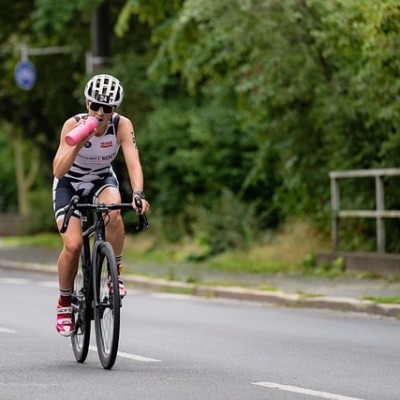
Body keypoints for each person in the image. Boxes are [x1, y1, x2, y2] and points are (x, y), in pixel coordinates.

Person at [52, 74, 149, 337]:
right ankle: (63, 303)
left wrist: (138, 193)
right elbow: (59, 170)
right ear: (87, 103)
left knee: (114, 212)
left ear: (114, 109)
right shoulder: (72, 125)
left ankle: (114, 272)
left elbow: (133, 162)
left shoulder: (121, 125)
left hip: (101, 179)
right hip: (69, 183)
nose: (100, 112)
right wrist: (79, 141)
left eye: (107, 108)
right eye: (95, 106)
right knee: (72, 245)